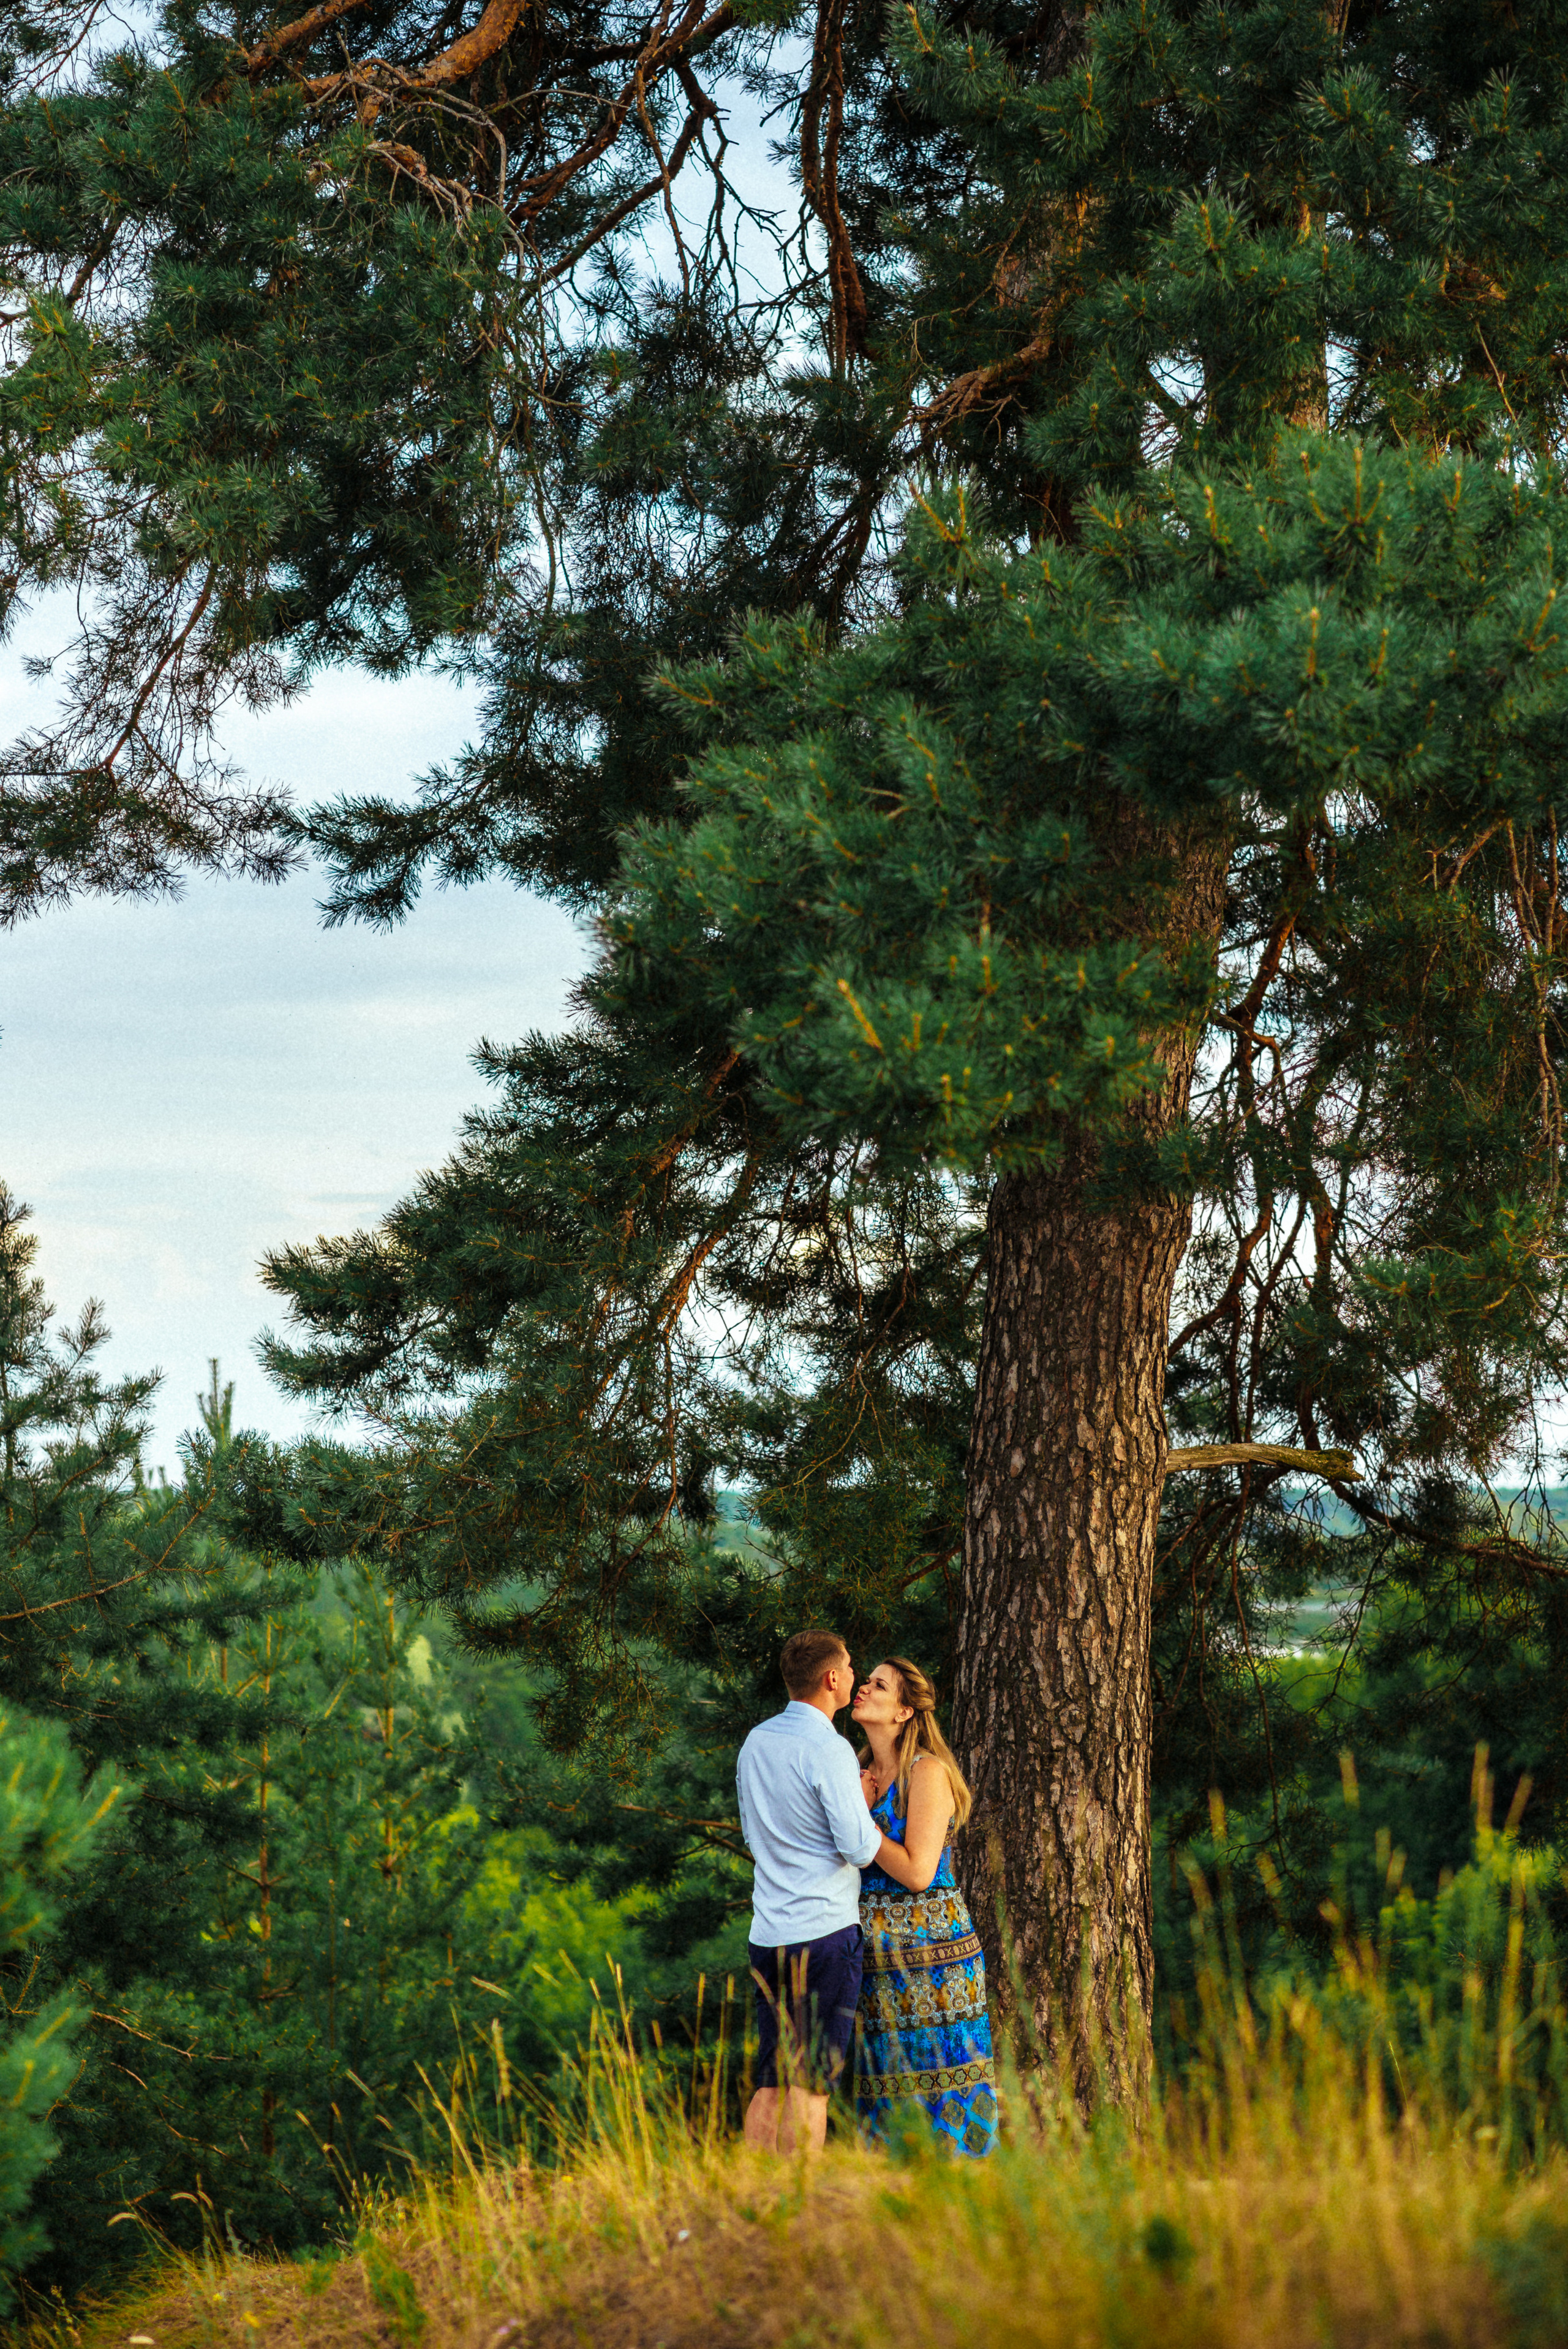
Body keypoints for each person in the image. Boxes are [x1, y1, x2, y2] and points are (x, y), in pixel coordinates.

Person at [736, 1627, 889, 2153]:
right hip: (823, 1933)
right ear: (831, 1679)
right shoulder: (830, 1748)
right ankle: (802, 2193)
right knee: (812, 2083)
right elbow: (859, 1848)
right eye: (849, 1667)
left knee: (774, 2078)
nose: (854, 1675)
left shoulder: (757, 1741)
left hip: (768, 1933)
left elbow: (753, 1834)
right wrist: (864, 1806)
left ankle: (754, 2187)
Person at [851, 1655, 998, 2157]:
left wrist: (860, 1823)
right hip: (877, 1967)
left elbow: (918, 1873)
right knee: (887, 2100)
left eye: (879, 1685)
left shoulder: (927, 1772)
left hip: (938, 1969)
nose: (864, 1688)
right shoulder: (856, 1772)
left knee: (947, 2101)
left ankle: (965, 2197)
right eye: (867, 1681)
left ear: (904, 1711)